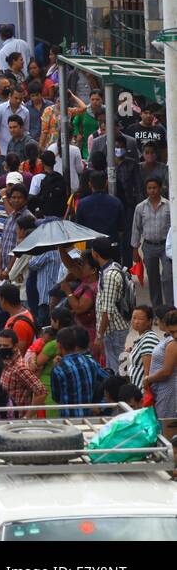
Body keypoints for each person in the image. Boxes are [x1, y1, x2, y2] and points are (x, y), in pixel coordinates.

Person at [91, 238, 133, 370]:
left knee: (117, 367)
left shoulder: (109, 275)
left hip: (114, 329)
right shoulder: (112, 267)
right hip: (116, 328)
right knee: (117, 364)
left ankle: (120, 388)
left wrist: (99, 336)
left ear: (95, 253)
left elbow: (107, 311)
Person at [133, 178, 173, 306]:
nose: (152, 191)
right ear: (146, 190)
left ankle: (170, 308)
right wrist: (135, 249)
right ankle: (157, 309)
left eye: (154, 188)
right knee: (153, 278)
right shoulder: (140, 207)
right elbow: (136, 229)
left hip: (165, 246)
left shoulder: (169, 205)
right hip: (149, 246)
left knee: (167, 277)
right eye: (149, 188)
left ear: (160, 188)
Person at [50, 325, 106, 417]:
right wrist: (101, 405)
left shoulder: (58, 369)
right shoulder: (91, 362)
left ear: (59, 345)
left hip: (68, 421)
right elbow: (110, 381)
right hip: (89, 418)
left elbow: (56, 397)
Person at [143, 309, 177, 431]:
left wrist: (148, 379)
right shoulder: (171, 341)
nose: (175, 335)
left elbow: (166, 372)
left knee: (167, 429)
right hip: (163, 391)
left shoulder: (173, 344)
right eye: (172, 332)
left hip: (169, 391)